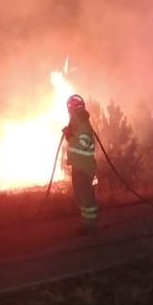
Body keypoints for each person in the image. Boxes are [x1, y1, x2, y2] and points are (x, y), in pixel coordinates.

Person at [60, 94, 99, 233]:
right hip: (79, 167)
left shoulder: (82, 123)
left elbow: (83, 143)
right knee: (80, 196)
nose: (69, 111)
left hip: (84, 168)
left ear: (73, 108)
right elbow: (77, 142)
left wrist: (70, 135)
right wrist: (70, 133)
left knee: (85, 196)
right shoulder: (77, 123)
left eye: (69, 108)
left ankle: (90, 225)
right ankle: (86, 222)